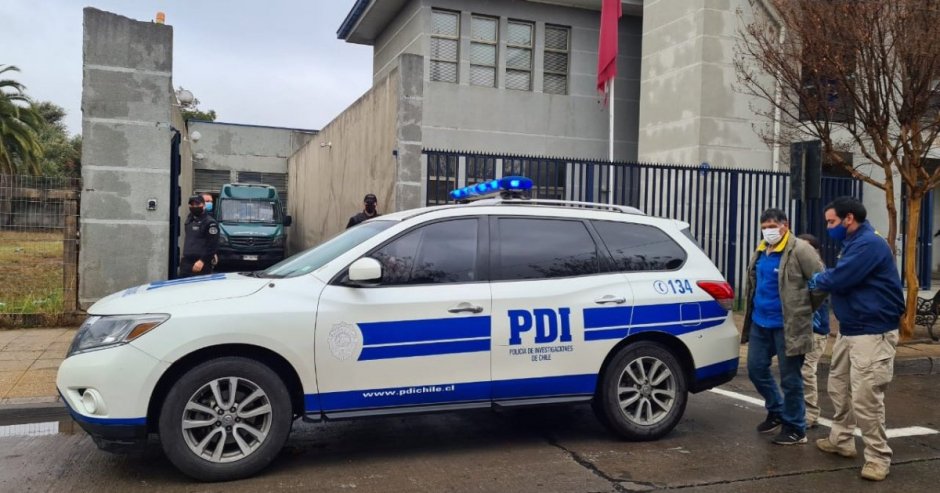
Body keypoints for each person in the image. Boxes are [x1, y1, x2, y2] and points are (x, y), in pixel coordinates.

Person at [810, 197, 904, 482]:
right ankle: (841, 440)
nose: (829, 227)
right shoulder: (853, 242)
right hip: (851, 328)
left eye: (832, 222)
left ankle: (878, 457)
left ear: (849, 218)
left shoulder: (868, 244)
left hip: (872, 332)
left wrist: (817, 279)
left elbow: (840, 278)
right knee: (838, 387)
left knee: (866, 397)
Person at [741, 208, 825, 446]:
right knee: (756, 369)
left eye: (772, 226)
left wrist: (804, 308)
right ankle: (777, 410)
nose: (768, 231)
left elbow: (821, 282)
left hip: (788, 325)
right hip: (760, 323)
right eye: (764, 227)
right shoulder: (761, 250)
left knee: (790, 379)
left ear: (785, 225)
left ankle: (796, 427)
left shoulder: (800, 250)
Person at [796, 233, 830, 429]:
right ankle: (797, 411)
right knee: (795, 372)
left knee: (806, 372)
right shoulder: (795, 268)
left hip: (815, 330)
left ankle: (810, 414)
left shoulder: (818, 272)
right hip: (797, 329)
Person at [179, 194, 220, 278]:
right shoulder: (189, 219)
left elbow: (212, 245)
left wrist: (202, 261)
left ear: (203, 205)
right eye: (192, 204)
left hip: (200, 263)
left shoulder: (210, 222)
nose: (194, 206)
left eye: (197, 204)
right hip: (186, 262)